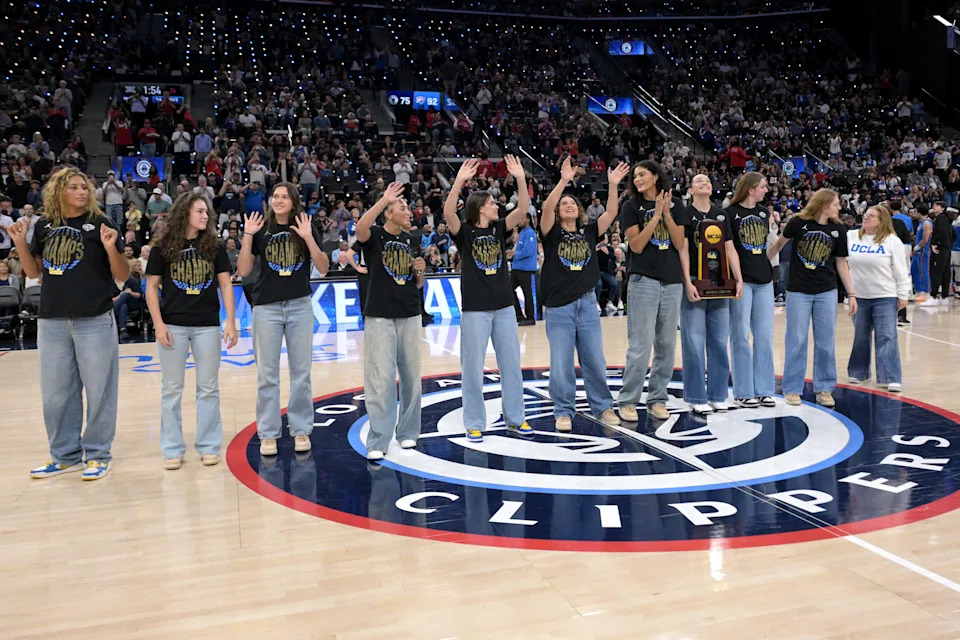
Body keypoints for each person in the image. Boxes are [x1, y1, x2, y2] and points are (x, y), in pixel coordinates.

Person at [9, 167, 130, 481]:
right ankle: (64, 456)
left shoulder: (102, 224)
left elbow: (123, 274)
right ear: (59, 191)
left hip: (94, 318)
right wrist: (21, 242)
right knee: (56, 393)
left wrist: (108, 247)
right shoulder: (45, 225)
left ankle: (98, 454)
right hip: (52, 320)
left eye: (84, 187)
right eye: (74, 187)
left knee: (100, 390)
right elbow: (34, 273)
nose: (81, 192)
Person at [443, 156, 533, 442]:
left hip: (505, 306)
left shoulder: (497, 229)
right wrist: (459, 181)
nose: (497, 205)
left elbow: (522, 210)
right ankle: (473, 421)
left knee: (511, 365)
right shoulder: (465, 232)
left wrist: (520, 177)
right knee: (472, 368)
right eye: (493, 203)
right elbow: (447, 213)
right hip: (475, 310)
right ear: (480, 207)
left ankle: (516, 419)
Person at [146, 193, 238, 470]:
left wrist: (230, 321)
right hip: (172, 324)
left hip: (207, 324)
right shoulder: (163, 247)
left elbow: (225, 284)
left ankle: (209, 445)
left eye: (206, 213)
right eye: (200, 211)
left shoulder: (214, 246)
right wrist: (158, 324)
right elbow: (151, 287)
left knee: (208, 388)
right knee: (171, 389)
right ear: (185, 212)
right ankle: (172, 448)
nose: (205, 216)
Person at [236, 183, 329, 456]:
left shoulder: (305, 225)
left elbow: (323, 268)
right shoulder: (261, 228)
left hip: (300, 306)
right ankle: (268, 434)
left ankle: (301, 430)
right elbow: (243, 270)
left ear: (293, 201)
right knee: (267, 376)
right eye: (275, 196)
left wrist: (308, 237)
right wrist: (247, 236)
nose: (278, 200)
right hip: (266, 308)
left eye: (284, 196)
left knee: (301, 374)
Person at [539, 157, 629, 431]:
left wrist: (612, 185)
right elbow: (545, 208)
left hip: (588, 304)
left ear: (579, 212)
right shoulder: (551, 233)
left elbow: (611, 212)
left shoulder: (589, 232)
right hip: (559, 307)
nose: (567, 205)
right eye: (563, 204)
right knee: (561, 363)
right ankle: (563, 410)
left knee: (594, 359)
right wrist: (564, 181)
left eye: (572, 204)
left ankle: (602, 406)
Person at [354, 183, 426, 460]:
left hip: (409, 311)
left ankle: (408, 433)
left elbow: (416, 283)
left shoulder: (411, 240)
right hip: (380, 315)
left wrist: (420, 273)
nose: (409, 212)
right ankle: (378, 440)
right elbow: (360, 229)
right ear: (388, 213)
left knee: (411, 379)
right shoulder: (374, 235)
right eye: (403, 207)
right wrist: (384, 197)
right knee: (380, 380)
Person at [768, 189, 857, 408]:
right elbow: (779, 244)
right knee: (796, 341)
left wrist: (852, 293)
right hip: (798, 291)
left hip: (826, 291)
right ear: (825, 204)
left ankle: (824, 388)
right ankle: (792, 388)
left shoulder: (838, 229)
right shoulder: (798, 222)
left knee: (826, 342)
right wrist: (761, 267)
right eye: (836, 204)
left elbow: (841, 262)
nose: (839, 207)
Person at [618, 160, 689, 422]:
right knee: (640, 345)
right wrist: (656, 216)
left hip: (671, 281)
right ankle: (627, 400)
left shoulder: (677, 204)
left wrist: (667, 213)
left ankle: (657, 398)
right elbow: (636, 245)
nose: (637, 179)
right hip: (643, 281)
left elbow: (680, 242)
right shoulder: (630, 206)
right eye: (635, 176)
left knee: (667, 345)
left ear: (656, 176)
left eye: (642, 174)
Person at [680, 174, 744, 414]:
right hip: (696, 281)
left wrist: (738, 279)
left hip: (719, 283)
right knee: (693, 341)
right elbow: (684, 249)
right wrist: (687, 281)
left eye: (707, 180)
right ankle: (696, 396)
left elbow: (730, 248)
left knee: (718, 341)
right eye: (698, 181)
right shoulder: (685, 213)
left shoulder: (721, 214)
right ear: (691, 189)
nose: (704, 183)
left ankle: (718, 394)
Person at [725, 171, 777, 408]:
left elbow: (765, 245)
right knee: (740, 336)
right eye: (763, 187)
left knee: (764, 337)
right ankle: (743, 390)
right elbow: (730, 249)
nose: (766, 191)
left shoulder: (764, 213)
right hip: (742, 281)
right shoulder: (729, 214)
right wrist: (737, 278)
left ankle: (764, 389)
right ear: (750, 188)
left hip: (765, 281)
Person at [845, 205, 910, 393]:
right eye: (865, 215)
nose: (866, 218)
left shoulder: (892, 241)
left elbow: (901, 270)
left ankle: (890, 376)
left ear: (882, 221)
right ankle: (859, 372)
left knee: (887, 336)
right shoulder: (851, 236)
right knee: (860, 336)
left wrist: (903, 295)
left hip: (885, 295)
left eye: (871, 216)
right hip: (859, 296)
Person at [510, 211, 538, 326]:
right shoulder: (522, 233)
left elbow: (528, 251)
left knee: (527, 293)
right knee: (509, 289)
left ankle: (530, 318)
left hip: (525, 268)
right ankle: (519, 315)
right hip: (517, 267)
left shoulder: (530, 233)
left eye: (521, 218)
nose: (519, 221)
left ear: (527, 219)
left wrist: (514, 254)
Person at [928, 201, 953, 305]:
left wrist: (935, 243)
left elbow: (940, 232)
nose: (934, 206)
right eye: (934, 205)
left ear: (942, 208)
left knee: (937, 271)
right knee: (945, 271)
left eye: (937, 205)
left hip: (940, 247)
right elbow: (953, 234)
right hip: (946, 248)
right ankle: (944, 296)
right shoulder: (946, 219)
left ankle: (934, 296)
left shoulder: (940, 218)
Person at [111, 260, 142, 338]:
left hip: (132, 304)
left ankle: (113, 312)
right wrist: (120, 296)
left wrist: (130, 293)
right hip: (120, 304)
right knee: (123, 306)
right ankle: (123, 330)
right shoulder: (111, 283)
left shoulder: (132, 281)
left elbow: (139, 295)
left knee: (126, 294)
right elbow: (109, 299)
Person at [911, 204, 934, 305]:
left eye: (915, 211)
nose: (914, 214)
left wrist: (916, 248)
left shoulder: (926, 224)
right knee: (915, 271)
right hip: (918, 250)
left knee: (923, 271)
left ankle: (927, 293)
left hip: (923, 251)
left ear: (919, 212)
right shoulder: (921, 223)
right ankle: (919, 291)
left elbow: (925, 239)